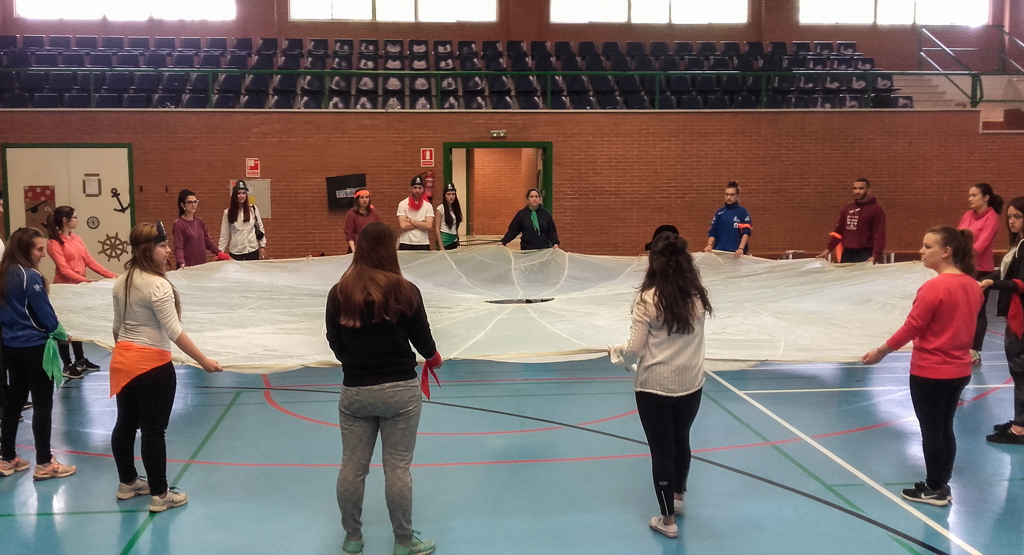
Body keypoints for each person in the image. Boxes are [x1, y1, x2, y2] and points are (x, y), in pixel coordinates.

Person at [326, 222, 442, 555]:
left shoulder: (339, 293)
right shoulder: (406, 291)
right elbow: (424, 342)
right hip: (401, 393)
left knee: (352, 467)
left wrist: (355, 362)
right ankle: (403, 541)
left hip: (356, 392)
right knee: (398, 468)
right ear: (389, 250)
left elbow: (335, 341)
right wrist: (434, 359)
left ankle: (353, 538)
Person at [862, 226, 983, 506]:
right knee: (944, 426)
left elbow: (913, 327)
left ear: (946, 251)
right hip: (959, 371)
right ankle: (940, 482)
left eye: (928, 246)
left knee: (932, 429)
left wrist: (881, 352)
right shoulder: (972, 286)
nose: (921, 251)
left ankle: (935, 487)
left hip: (930, 371)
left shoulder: (934, 287)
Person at [110, 222, 222, 513]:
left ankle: (127, 482)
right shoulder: (157, 285)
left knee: (125, 424)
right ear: (149, 249)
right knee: (153, 430)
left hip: (123, 361)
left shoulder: (121, 280)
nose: (168, 250)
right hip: (151, 366)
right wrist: (204, 361)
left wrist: (126, 354)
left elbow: (117, 328)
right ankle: (160, 494)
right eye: (163, 245)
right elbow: (173, 331)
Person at [609, 231, 711, 539]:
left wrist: (615, 352)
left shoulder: (648, 299)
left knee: (662, 451)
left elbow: (634, 350)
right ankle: (677, 498)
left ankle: (667, 521)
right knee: (681, 440)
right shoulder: (697, 295)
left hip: (654, 388)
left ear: (654, 262)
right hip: (691, 385)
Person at [0, 227, 76, 480]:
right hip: (35, 348)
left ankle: (7, 458)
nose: (43, 254)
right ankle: (44, 462)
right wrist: (61, 333)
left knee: (14, 402)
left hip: (11, 347)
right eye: (39, 249)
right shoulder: (29, 276)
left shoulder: (3, 272)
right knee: (43, 404)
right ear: (25, 250)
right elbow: (44, 313)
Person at [45, 205, 116, 379]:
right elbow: (63, 269)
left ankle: (80, 359)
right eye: (74, 217)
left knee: (77, 325)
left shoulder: (76, 238)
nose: (77, 220)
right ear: (65, 220)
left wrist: (111, 275)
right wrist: (86, 281)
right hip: (65, 289)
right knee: (65, 327)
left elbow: (89, 261)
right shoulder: (54, 243)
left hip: (79, 288)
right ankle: (67, 364)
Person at [979, 196, 1024, 445]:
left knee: (1020, 371)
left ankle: (1020, 428)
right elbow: (1006, 273)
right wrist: (986, 279)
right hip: (1015, 314)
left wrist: (992, 283)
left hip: (1021, 317)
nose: (1012, 221)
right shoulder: (1018, 244)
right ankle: (1020, 420)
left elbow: (1020, 282)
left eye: (1018, 216)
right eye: (1010, 217)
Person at [958, 183, 1002, 366]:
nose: (970, 198)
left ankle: (974, 352)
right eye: (969, 195)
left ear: (986, 197)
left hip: (982, 270)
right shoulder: (967, 215)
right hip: (963, 268)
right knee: (961, 309)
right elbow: (958, 238)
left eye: (974, 195)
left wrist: (963, 257)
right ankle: (960, 348)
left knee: (978, 311)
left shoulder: (992, 218)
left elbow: (980, 245)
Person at [817, 178, 886, 264]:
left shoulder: (876, 210)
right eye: (855, 188)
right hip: (847, 253)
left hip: (865, 254)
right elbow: (838, 232)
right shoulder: (847, 208)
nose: (857, 191)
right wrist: (827, 251)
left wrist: (875, 255)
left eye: (861, 188)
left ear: (868, 190)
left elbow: (879, 235)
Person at [173, 189, 230, 269]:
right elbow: (178, 247)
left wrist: (219, 253)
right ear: (182, 205)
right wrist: (181, 262)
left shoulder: (199, 222)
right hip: (187, 266)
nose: (193, 205)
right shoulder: (179, 224)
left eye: (195, 202)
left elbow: (208, 242)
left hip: (201, 264)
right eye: (190, 202)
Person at [219, 181, 267, 261]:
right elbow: (224, 235)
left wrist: (262, 245)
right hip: (236, 251)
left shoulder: (253, 209)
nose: (241, 196)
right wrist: (220, 253)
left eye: (244, 193)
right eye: (239, 193)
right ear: (235, 195)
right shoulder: (227, 213)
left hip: (252, 250)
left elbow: (260, 227)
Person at [703, 181, 751, 259]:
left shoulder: (743, 212)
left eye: (732, 195)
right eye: (727, 194)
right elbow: (713, 231)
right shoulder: (719, 213)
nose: (729, 197)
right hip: (719, 252)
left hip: (736, 254)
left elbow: (746, 232)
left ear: (737, 196)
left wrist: (741, 248)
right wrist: (709, 245)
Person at [397, 175, 433, 251]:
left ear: (423, 189)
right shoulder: (402, 204)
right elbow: (403, 225)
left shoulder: (428, 206)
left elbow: (429, 226)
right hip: (406, 242)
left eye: (419, 188)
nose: (417, 190)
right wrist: (422, 223)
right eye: (415, 187)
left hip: (423, 243)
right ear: (410, 188)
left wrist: (411, 221)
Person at [344, 188, 381, 254]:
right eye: (362, 197)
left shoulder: (374, 213)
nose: (364, 199)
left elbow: (380, 230)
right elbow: (349, 234)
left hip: (373, 248)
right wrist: (353, 250)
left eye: (366, 197)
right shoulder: (351, 214)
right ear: (357, 199)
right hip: (358, 247)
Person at [434, 183, 462, 251]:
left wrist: (457, 238)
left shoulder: (456, 208)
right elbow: (437, 228)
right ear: (444, 196)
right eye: (448, 194)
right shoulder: (440, 209)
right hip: (444, 241)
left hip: (454, 240)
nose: (451, 196)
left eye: (453, 194)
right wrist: (441, 246)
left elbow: (456, 225)